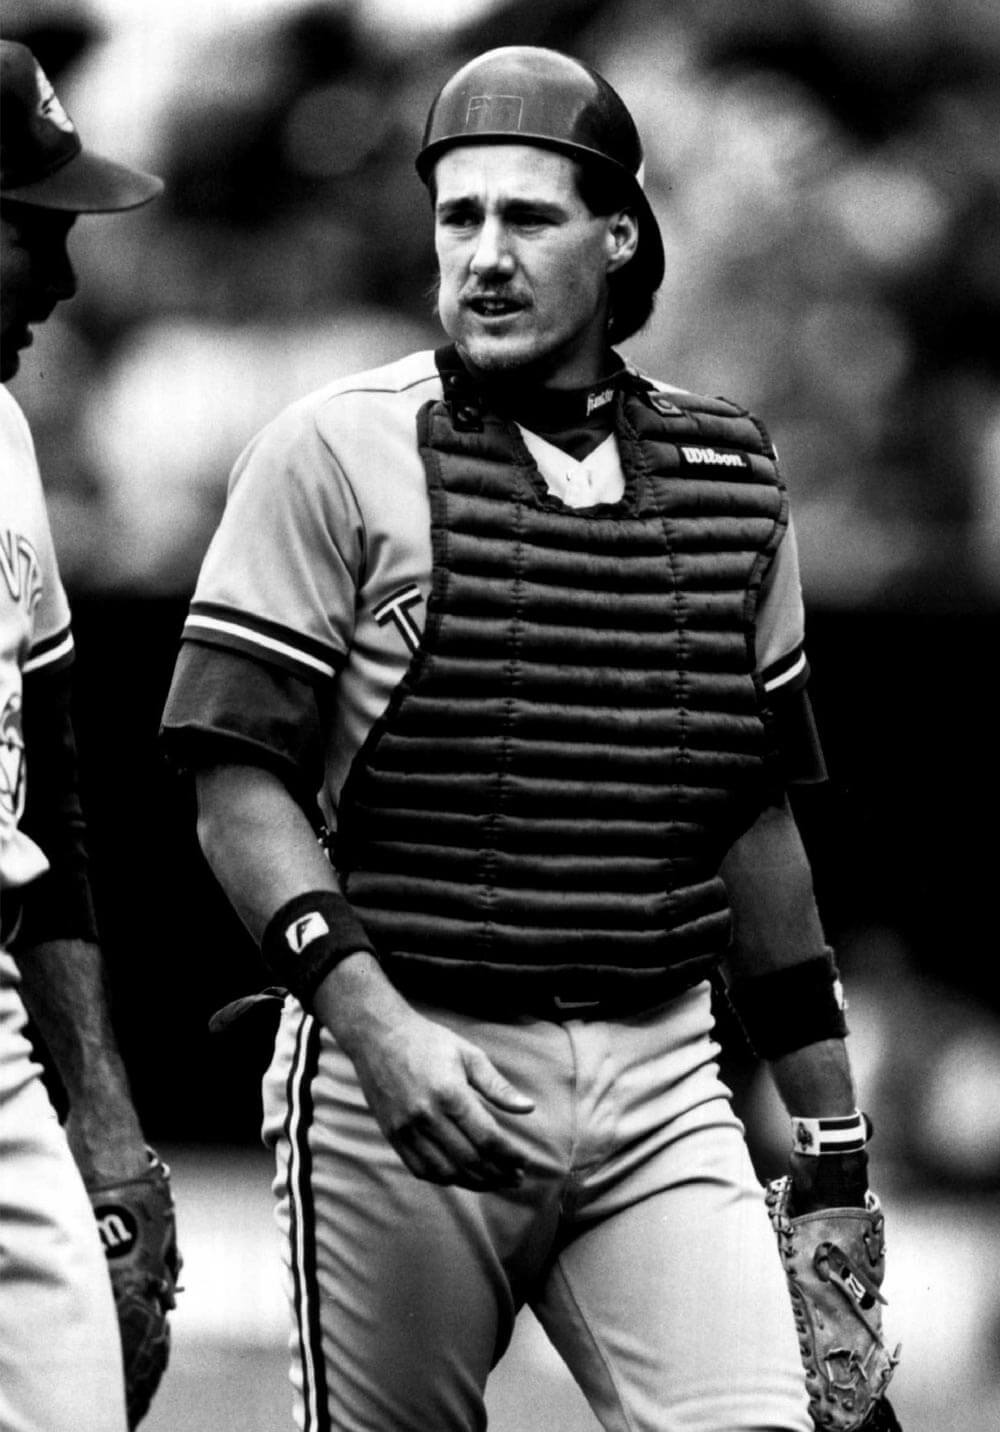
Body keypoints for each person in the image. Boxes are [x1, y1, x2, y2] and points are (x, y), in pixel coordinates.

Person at [161, 46, 879, 1432]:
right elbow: (231, 782)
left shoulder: (732, 476)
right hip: (406, 1058)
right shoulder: (329, 448)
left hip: (663, 1072)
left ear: (619, 239)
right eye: (459, 216)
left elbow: (751, 814)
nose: (485, 254)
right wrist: (372, 1031)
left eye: (530, 217)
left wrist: (832, 1132)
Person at [1, 39, 169, 1432]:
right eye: (34, 232)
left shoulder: (4, 436)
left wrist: (105, 1124)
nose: (62, 283)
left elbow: (46, 797)